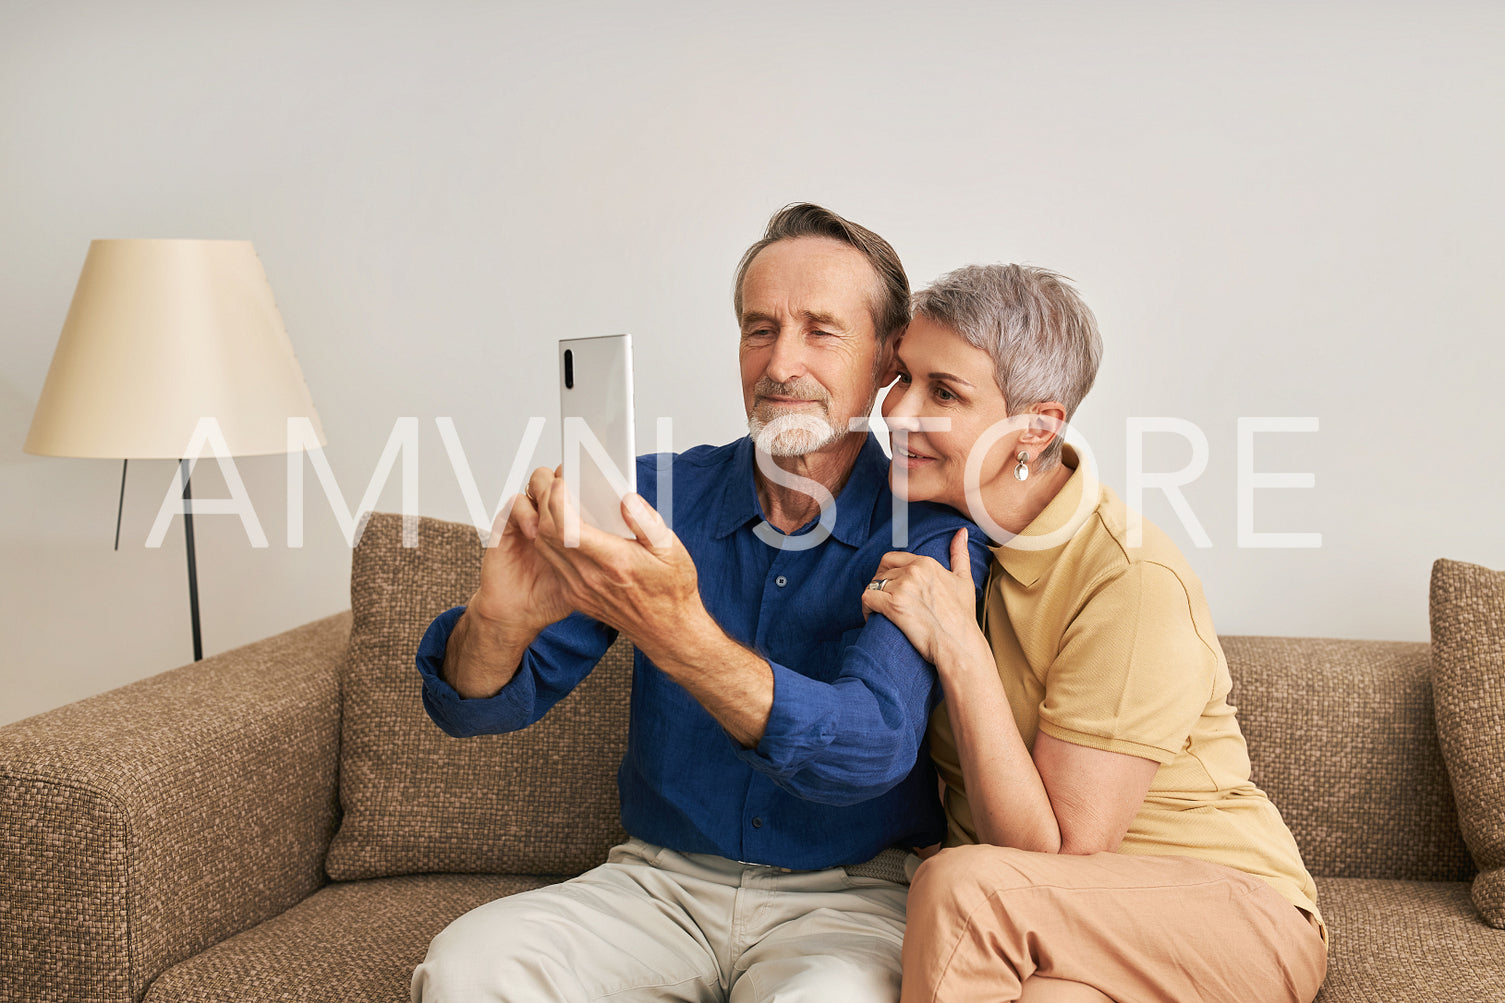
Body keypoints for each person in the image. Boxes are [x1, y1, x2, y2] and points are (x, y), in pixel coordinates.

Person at [410, 204, 989, 1002]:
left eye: (821, 331)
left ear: (887, 360)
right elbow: (472, 710)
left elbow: (871, 747)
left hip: (850, 898)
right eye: (759, 329)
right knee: (469, 966)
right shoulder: (653, 493)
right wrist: (497, 622)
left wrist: (677, 628)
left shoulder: (930, 531)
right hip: (658, 886)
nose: (780, 362)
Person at [860, 264, 1328, 1003]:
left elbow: (1059, 852)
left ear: (1035, 427)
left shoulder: (1128, 576)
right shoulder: (932, 536)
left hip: (1225, 915)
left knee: (963, 887)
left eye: (942, 392)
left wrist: (959, 647)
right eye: (902, 377)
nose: (896, 411)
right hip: (1055, 925)